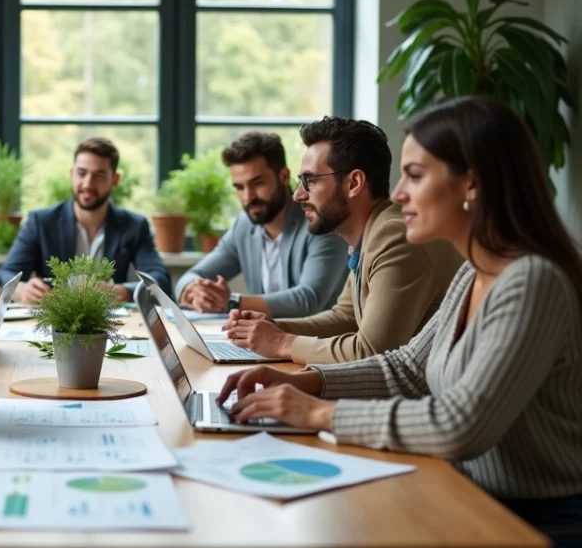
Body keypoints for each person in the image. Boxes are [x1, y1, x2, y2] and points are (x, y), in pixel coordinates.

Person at [218, 97, 582, 545]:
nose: (398, 194)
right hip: (468, 491)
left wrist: (318, 412)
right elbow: (407, 366)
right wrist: (306, 381)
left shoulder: (531, 281)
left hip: (533, 521)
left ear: (472, 184)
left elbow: (459, 425)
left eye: (415, 175)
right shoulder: (475, 271)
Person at [223, 118, 463, 364]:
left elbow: (370, 352)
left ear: (354, 183)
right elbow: (345, 318)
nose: (297, 195)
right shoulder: (372, 232)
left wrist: (281, 342)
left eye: (311, 181)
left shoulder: (394, 235)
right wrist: (273, 327)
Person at [175, 132, 348, 317]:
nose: (248, 197)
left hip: (316, 342)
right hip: (259, 340)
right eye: (239, 187)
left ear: (283, 176)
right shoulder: (243, 227)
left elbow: (308, 300)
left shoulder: (320, 222)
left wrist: (232, 302)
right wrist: (192, 291)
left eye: (257, 183)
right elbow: (193, 275)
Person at [0, 137, 171, 304]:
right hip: (54, 323)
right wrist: (21, 289)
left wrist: (123, 291)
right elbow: (5, 274)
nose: (87, 183)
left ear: (115, 180)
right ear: (72, 174)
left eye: (99, 175)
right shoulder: (41, 222)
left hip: (109, 325)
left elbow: (160, 279)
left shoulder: (134, 225)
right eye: (81, 173)